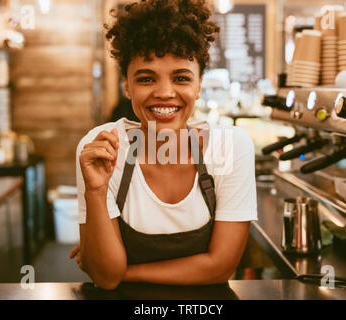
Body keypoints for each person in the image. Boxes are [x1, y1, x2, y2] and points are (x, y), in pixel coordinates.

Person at [69, 0, 257, 290]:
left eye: (181, 78)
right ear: (127, 87)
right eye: (146, 78)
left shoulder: (230, 146)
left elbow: (221, 266)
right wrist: (96, 191)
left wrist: (126, 272)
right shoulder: (103, 148)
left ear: (198, 85)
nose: (165, 93)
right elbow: (106, 278)